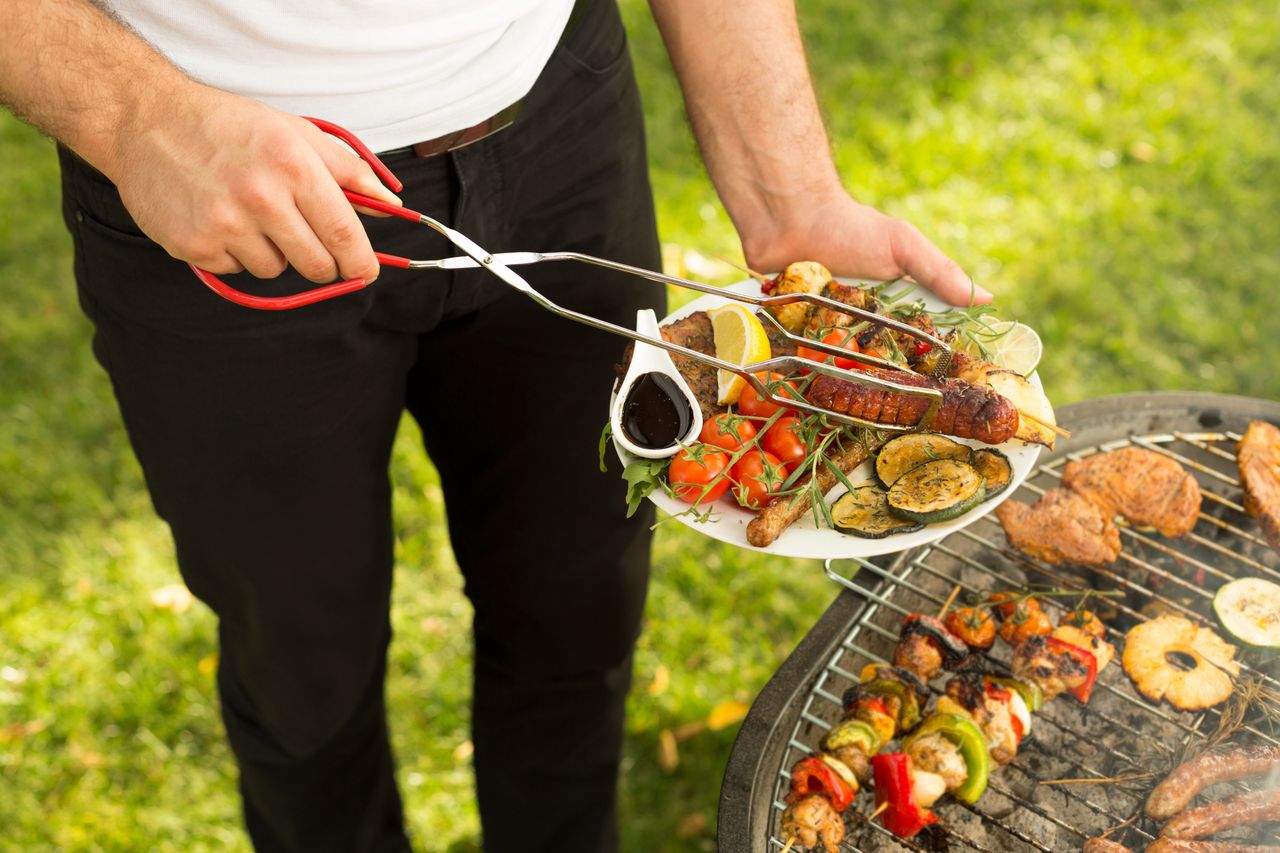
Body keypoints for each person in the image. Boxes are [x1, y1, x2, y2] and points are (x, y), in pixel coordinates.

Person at [1, 1, 988, 850]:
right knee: (304, 662)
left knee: (578, 601)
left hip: (554, 121)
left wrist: (790, 189)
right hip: (217, 171)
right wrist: (136, 116)